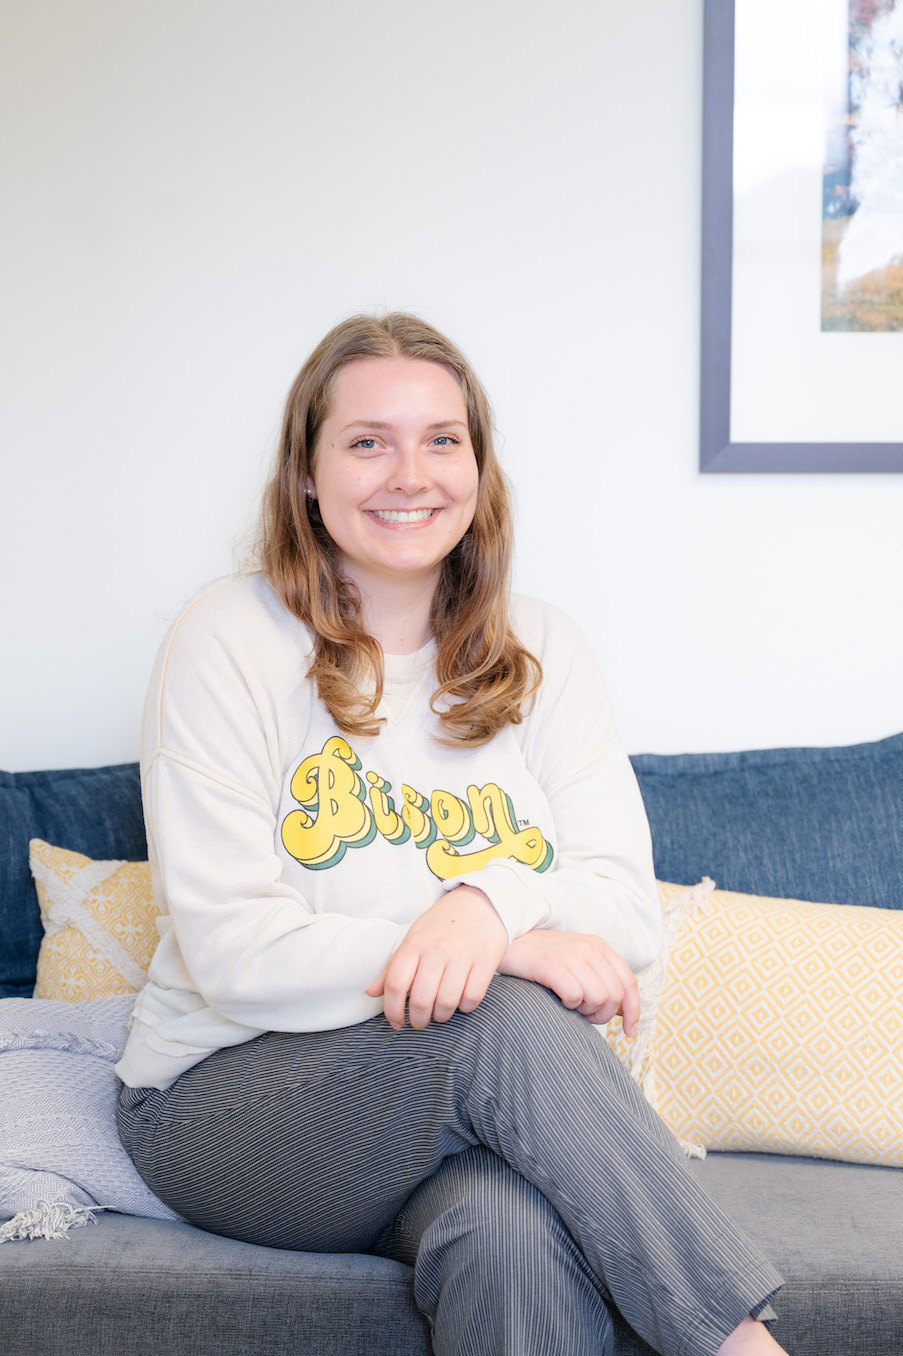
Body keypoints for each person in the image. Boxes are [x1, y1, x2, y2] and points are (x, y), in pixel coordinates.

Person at [115, 313, 787, 1356]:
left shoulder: (544, 649)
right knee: (498, 1017)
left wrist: (491, 904)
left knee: (512, 1237)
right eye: (367, 441)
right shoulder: (229, 640)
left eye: (441, 440)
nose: (410, 475)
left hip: (444, 1127)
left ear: (478, 469)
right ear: (306, 473)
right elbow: (235, 954)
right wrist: (501, 950)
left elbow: (624, 910)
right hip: (228, 1105)